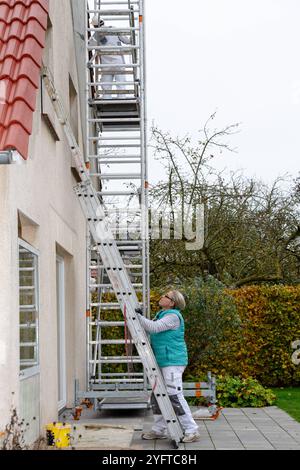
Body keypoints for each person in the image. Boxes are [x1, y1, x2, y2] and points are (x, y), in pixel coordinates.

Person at [136, 290, 200, 443]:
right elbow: (152, 326)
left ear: (172, 302)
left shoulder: (173, 316)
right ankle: (159, 430)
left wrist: (136, 316)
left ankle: (192, 430)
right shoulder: (162, 314)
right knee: (157, 396)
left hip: (173, 361)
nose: (162, 296)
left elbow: (154, 328)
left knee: (174, 395)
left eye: (166, 296)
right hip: (163, 360)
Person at [91, 16, 131, 99]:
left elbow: (89, 46)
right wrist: (133, 35)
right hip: (118, 63)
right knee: (121, 84)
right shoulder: (114, 29)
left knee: (106, 87)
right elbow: (127, 41)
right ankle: (122, 99)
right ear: (103, 21)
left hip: (106, 65)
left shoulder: (96, 35)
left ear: (94, 26)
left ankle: (106, 99)